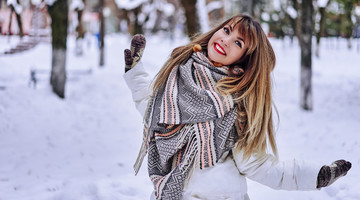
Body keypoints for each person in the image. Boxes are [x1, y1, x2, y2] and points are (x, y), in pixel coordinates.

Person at [123, 14, 351, 200]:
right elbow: (153, 110)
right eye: (227, 30)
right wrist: (135, 71)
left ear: (243, 58)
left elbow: (259, 166)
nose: (226, 40)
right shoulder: (180, 74)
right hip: (169, 192)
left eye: (238, 43)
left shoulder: (235, 103)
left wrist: (316, 176)